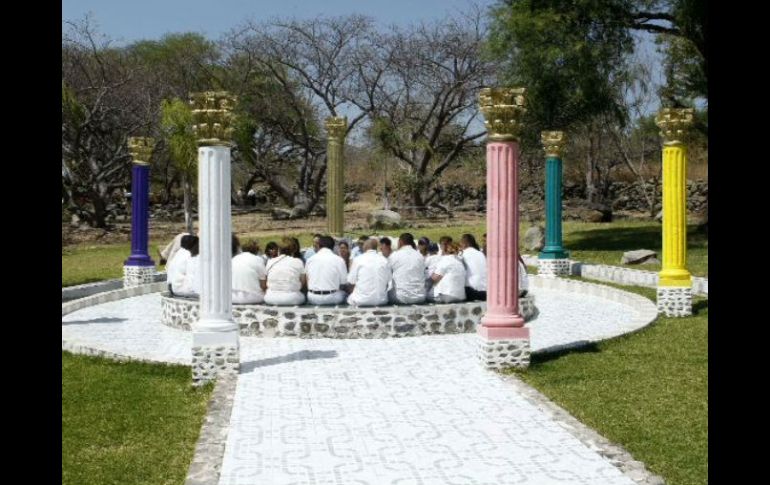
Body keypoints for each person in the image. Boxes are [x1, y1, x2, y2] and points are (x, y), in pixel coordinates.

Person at [347, 238, 391, 307]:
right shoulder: (384, 260)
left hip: (361, 300)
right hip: (381, 300)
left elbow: (351, 281)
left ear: (366, 247)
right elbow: (389, 281)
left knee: (348, 297)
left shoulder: (358, 259)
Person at [305, 235, 348, 305]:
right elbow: (344, 282)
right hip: (332, 298)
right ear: (333, 247)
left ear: (318, 245)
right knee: (345, 294)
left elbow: (308, 281)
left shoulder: (310, 260)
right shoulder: (339, 260)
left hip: (312, 298)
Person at [264, 237, 307, 306]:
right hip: (292, 298)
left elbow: (265, 281)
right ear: (294, 250)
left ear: (279, 249)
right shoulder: (298, 262)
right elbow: (303, 282)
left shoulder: (270, 262)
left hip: (271, 298)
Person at [387, 233, 426, 304]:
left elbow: (387, 274)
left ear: (400, 242)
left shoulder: (395, 255)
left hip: (401, 297)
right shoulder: (420, 256)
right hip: (420, 296)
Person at [232, 237, 268, 304]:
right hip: (252, 298)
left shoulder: (234, 259)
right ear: (257, 250)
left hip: (232, 297)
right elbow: (263, 284)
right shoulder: (258, 259)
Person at [460, 233, 487, 301]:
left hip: (472, 292)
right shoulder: (480, 253)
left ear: (465, 243)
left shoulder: (463, 254)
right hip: (486, 291)